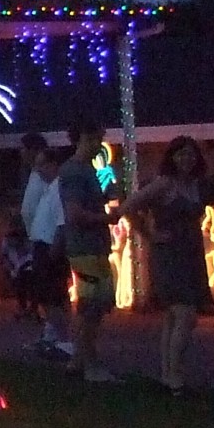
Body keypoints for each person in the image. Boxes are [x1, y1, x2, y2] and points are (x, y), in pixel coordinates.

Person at [124, 136, 211, 394]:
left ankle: (169, 373)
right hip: (169, 255)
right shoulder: (164, 185)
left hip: (191, 254)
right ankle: (175, 376)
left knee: (174, 318)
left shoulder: (195, 185)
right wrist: (150, 235)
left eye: (191, 154)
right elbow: (130, 206)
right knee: (185, 315)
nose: (187, 159)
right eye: (181, 154)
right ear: (172, 157)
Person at [56, 119, 123, 383]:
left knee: (95, 304)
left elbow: (103, 197)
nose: (98, 145)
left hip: (93, 246)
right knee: (91, 307)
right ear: (83, 137)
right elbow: (74, 213)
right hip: (85, 248)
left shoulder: (89, 170)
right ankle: (89, 364)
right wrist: (105, 219)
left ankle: (78, 363)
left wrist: (109, 191)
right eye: (95, 139)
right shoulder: (73, 171)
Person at [20, 142, 71, 354]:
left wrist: (53, 252)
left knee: (54, 297)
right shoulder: (50, 187)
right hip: (42, 245)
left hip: (50, 247)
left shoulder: (59, 188)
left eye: (42, 165)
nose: (39, 169)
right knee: (46, 296)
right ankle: (53, 337)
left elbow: (62, 223)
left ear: (53, 165)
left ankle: (64, 342)